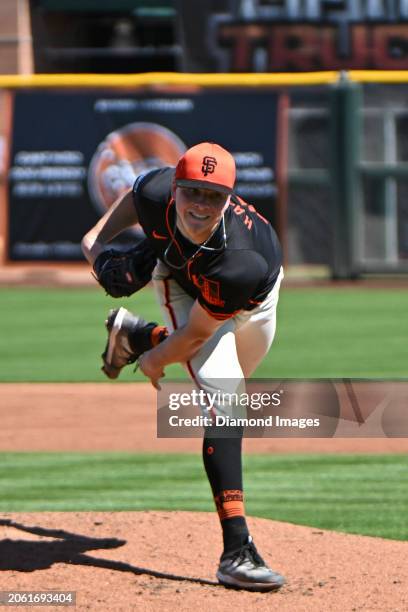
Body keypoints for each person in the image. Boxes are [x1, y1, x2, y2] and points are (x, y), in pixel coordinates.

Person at [81, 142, 285, 592]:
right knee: (228, 406)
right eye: (193, 191)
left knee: (226, 375)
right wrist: (94, 241)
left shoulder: (240, 260)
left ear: (230, 199)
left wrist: (153, 358)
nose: (201, 204)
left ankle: (136, 336)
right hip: (179, 284)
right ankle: (238, 550)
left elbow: (195, 335)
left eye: (214, 196)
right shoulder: (156, 192)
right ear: (176, 188)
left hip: (253, 301)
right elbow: (134, 200)